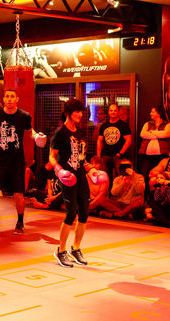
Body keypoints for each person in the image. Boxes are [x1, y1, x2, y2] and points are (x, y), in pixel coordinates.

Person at [49, 99, 104, 267]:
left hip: (80, 176)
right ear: (68, 113)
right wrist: (59, 170)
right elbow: (52, 156)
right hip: (67, 177)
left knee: (85, 213)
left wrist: (91, 169)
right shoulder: (60, 132)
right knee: (71, 213)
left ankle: (76, 248)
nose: (80, 114)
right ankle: (60, 251)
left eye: (81, 111)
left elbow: (82, 158)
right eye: (77, 111)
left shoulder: (80, 132)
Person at [0, 89, 46, 236]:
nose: (9, 99)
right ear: (3, 99)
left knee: (18, 194)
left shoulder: (24, 116)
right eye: (7, 96)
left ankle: (20, 222)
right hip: (0, 160)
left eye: (12, 96)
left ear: (17, 99)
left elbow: (30, 132)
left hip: (17, 161)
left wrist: (38, 137)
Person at [96, 103, 132, 182]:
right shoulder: (104, 125)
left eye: (115, 111)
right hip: (105, 155)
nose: (113, 112)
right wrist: (98, 155)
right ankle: (108, 190)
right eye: (111, 110)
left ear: (118, 112)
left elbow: (129, 141)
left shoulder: (124, 125)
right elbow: (99, 140)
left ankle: (118, 191)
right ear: (108, 112)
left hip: (118, 156)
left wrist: (120, 153)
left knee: (120, 178)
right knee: (105, 177)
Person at [138, 105, 170, 183]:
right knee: (145, 174)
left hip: (161, 156)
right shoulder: (147, 124)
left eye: (153, 112)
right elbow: (142, 134)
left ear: (159, 113)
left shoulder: (167, 124)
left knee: (160, 175)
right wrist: (159, 135)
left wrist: (151, 132)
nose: (150, 113)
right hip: (146, 156)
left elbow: (166, 134)